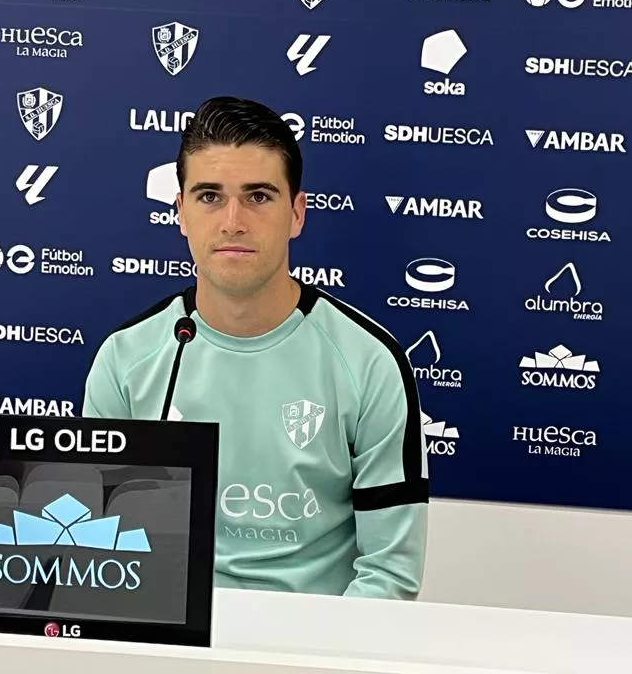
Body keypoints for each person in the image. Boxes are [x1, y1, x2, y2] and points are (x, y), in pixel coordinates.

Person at [81, 96, 428, 600]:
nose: (233, 221)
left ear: (297, 213)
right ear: (180, 213)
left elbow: (389, 574)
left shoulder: (368, 361)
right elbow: (97, 551)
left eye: (259, 196)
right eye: (209, 197)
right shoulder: (125, 358)